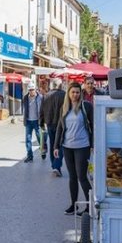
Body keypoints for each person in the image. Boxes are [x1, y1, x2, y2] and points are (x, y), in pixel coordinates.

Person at [54, 81, 94, 216]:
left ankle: (90, 206)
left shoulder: (86, 106)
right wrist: (56, 146)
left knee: (82, 176)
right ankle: (73, 205)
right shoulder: (64, 108)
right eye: (73, 92)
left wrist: (93, 145)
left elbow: (93, 126)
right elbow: (60, 127)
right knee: (72, 177)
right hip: (67, 146)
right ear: (69, 93)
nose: (75, 95)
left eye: (77, 92)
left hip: (82, 146)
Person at [39, 78, 66, 176]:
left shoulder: (45, 95)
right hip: (62, 124)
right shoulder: (64, 95)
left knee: (52, 144)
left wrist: (41, 123)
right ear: (60, 85)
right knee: (61, 144)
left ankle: (54, 166)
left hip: (49, 123)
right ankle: (57, 165)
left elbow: (41, 110)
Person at [22, 83, 43, 162]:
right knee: (28, 139)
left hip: (37, 121)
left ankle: (43, 150)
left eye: (32, 90)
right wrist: (24, 119)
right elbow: (25, 110)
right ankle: (30, 155)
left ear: (35, 89)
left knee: (39, 138)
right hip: (28, 121)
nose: (31, 91)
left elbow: (42, 109)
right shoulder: (25, 98)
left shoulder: (40, 97)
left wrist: (43, 120)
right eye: (30, 90)